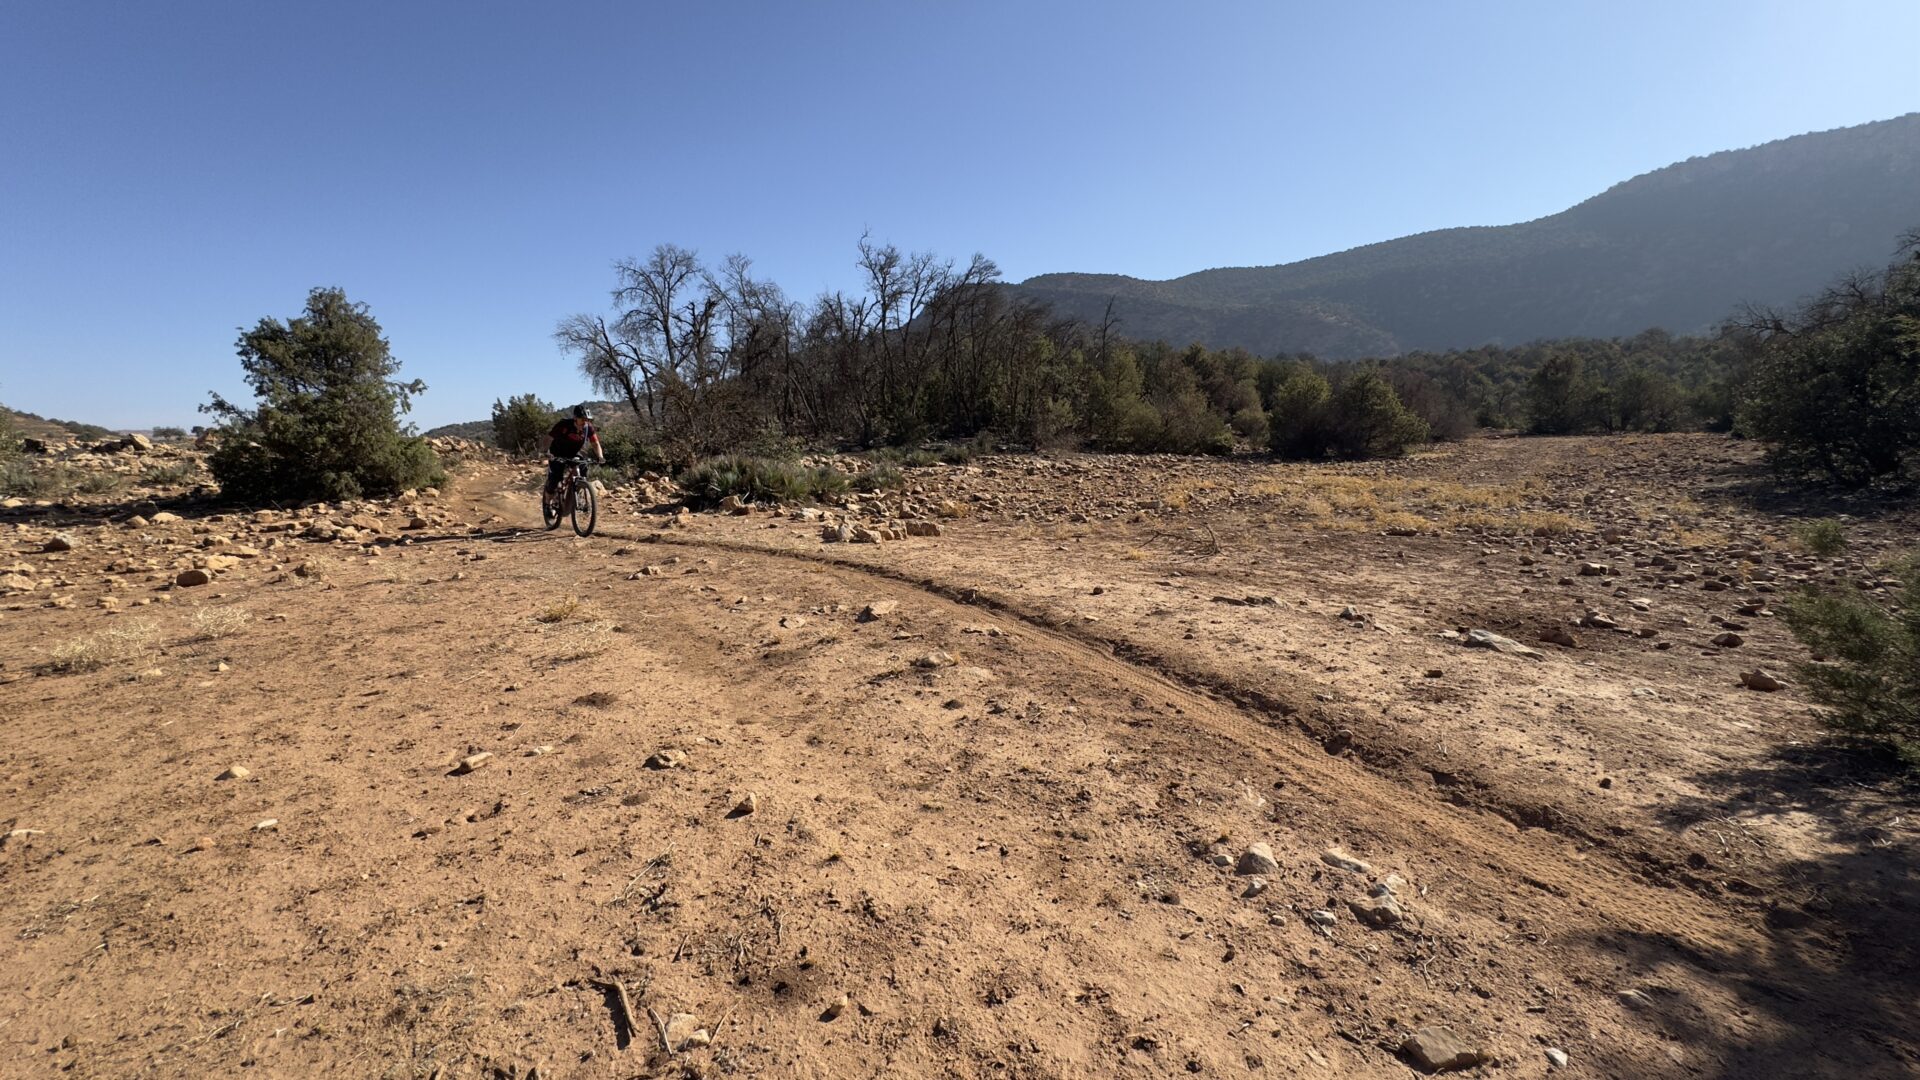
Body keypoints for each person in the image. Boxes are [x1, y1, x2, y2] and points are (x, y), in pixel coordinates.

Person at [540, 404, 605, 509]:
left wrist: (600, 456)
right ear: (575, 418)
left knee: (583, 470)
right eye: (582, 419)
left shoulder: (588, 428)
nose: (585, 422)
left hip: (573, 453)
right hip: (557, 453)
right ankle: (548, 503)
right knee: (555, 479)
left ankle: (576, 494)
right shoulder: (564, 425)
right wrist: (545, 451)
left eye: (587, 420)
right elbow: (549, 438)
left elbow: (595, 443)